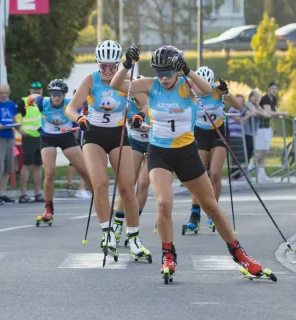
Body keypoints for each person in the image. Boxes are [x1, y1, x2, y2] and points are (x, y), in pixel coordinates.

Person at [110, 44, 271, 281]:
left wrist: (186, 70)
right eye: (159, 72)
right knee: (164, 203)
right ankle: (168, 254)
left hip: (186, 152)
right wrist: (126, 64)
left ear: (177, 69)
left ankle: (240, 255)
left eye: (168, 72)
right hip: (159, 152)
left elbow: (207, 92)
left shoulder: (187, 86)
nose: (163, 78)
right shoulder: (152, 85)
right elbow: (116, 85)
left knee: (212, 207)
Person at [65, 40, 151, 262]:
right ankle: (107, 233)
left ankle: (133, 237)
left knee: (126, 188)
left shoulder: (127, 81)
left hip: (118, 135)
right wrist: (79, 118)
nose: (108, 70)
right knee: (100, 184)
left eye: (112, 65)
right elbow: (70, 108)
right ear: (97, 63)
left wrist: (139, 115)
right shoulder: (91, 80)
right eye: (103, 65)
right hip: (93, 134)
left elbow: (146, 102)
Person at [25, 79, 94, 223]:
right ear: (50, 94)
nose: (56, 97)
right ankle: (48, 209)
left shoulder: (70, 102)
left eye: (59, 94)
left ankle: (100, 199)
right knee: (49, 173)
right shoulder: (42, 102)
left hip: (66, 136)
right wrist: (28, 102)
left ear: (64, 94)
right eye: (54, 94)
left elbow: (88, 99)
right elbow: (32, 97)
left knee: (83, 170)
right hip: (48, 137)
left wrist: (87, 110)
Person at [185, 66, 241, 232]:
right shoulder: (191, 92)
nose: (203, 90)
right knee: (197, 175)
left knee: (215, 174)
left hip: (218, 134)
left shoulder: (216, 92)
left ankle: (212, 212)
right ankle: (195, 213)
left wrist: (227, 92)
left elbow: (237, 106)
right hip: (200, 134)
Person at [113, 89, 151, 245]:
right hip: (134, 142)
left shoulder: (152, 105)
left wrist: (147, 126)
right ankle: (117, 225)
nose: (136, 100)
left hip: (152, 144)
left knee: (143, 183)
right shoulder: (128, 105)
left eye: (138, 97)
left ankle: (133, 227)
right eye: (133, 97)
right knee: (128, 183)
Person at [16, 82, 44, 203]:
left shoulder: (44, 102)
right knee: (27, 165)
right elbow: (14, 116)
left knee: (38, 166)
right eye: (34, 90)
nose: (37, 92)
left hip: (41, 137)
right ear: (30, 91)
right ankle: (23, 193)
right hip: (28, 137)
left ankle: (38, 192)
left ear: (42, 90)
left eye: (38, 90)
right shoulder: (23, 102)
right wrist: (19, 130)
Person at [255, 82, 288, 182]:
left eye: (276, 89)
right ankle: (250, 168)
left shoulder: (273, 99)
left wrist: (281, 115)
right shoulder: (265, 98)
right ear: (268, 89)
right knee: (263, 151)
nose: (274, 90)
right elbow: (269, 113)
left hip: (267, 127)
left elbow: (275, 113)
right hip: (260, 127)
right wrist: (283, 113)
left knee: (265, 151)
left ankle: (261, 173)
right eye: (272, 88)